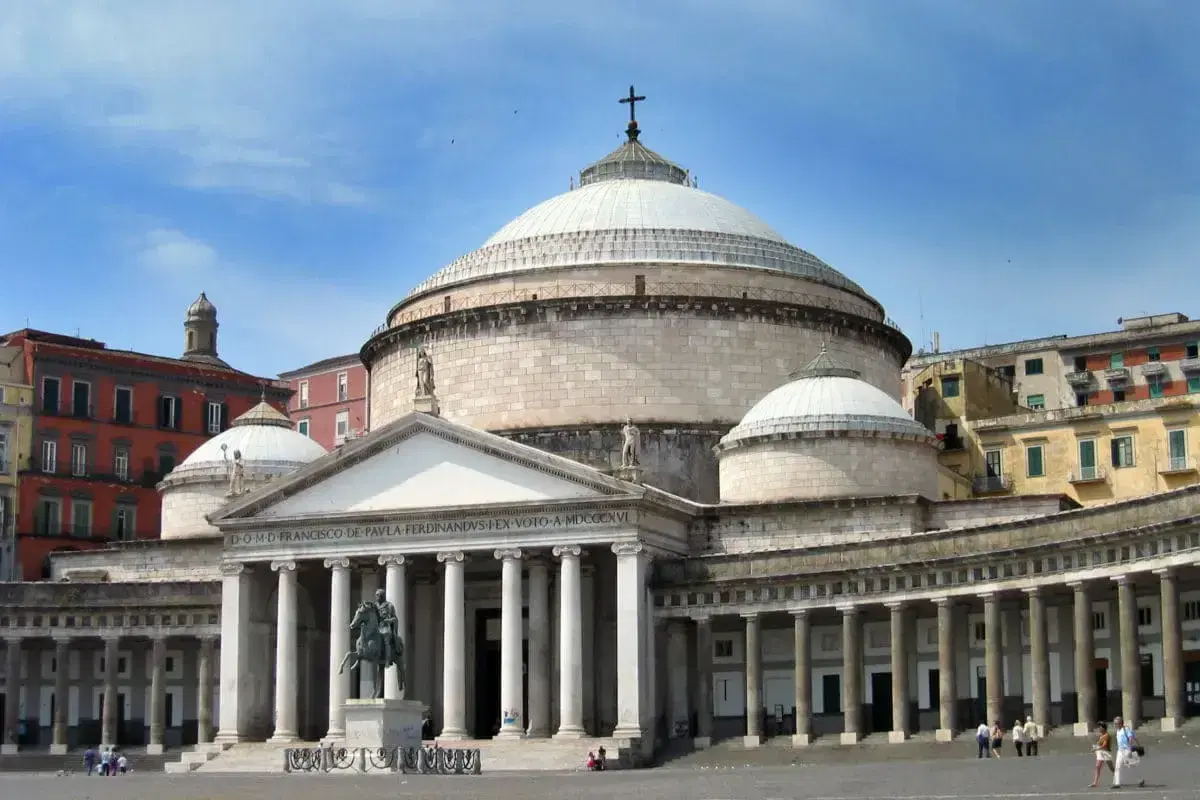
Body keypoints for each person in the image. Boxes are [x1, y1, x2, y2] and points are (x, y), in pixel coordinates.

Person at [1112, 716, 1144, 789]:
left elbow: (1131, 738)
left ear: (1120, 723)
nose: (1114, 725)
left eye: (1115, 723)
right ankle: (1117, 783)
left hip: (1126, 750)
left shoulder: (1126, 729)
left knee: (1131, 766)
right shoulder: (1118, 730)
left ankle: (1140, 780)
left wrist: (1130, 749)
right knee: (1118, 767)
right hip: (1120, 751)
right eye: (1114, 723)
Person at [1090, 722, 1113, 788]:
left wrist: (1096, 748)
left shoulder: (1107, 735)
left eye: (1100, 727)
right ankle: (1095, 782)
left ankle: (1116, 779)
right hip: (1100, 753)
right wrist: (1095, 746)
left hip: (1106, 753)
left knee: (1111, 768)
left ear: (1103, 728)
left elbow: (1104, 745)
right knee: (1098, 766)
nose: (1099, 728)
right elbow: (1100, 744)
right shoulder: (1101, 736)